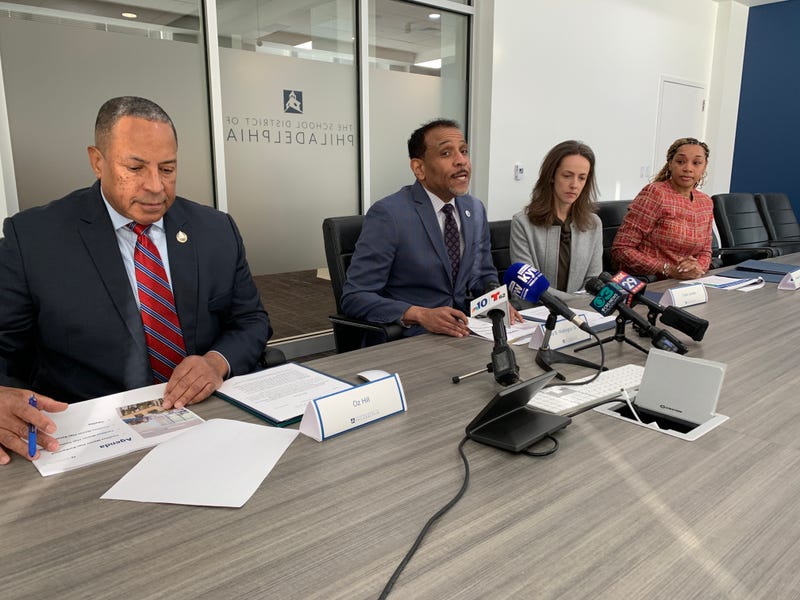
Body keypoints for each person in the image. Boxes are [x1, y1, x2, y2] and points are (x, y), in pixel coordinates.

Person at [0, 96, 271, 464]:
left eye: (168, 169)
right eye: (136, 167)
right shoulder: (33, 238)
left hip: (209, 418)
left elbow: (251, 320)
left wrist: (216, 361)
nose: (156, 186)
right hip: (95, 439)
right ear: (98, 162)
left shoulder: (215, 230)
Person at [341, 118, 520, 339]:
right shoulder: (389, 214)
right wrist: (419, 314)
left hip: (466, 333)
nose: (461, 161)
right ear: (419, 168)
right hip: (411, 338)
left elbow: (482, 274)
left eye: (463, 151)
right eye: (446, 153)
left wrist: (498, 303)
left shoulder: (474, 209)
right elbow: (355, 296)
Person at [509, 140, 602, 303]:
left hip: (582, 313)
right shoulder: (522, 223)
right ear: (551, 176)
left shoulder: (593, 224)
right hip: (535, 314)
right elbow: (531, 288)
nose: (574, 185)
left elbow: (593, 282)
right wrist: (574, 302)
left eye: (582, 178)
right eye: (567, 176)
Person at [612, 137, 713, 280]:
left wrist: (696, 268)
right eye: (680, 162)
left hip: (687, 283)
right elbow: (621, 249)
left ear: (704, 166)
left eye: (696, 163)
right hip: (649, 281)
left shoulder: (706, 202)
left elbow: (705, 251)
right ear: (670, 164)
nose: (688, 168)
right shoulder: (655, 194)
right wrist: (668, 269)